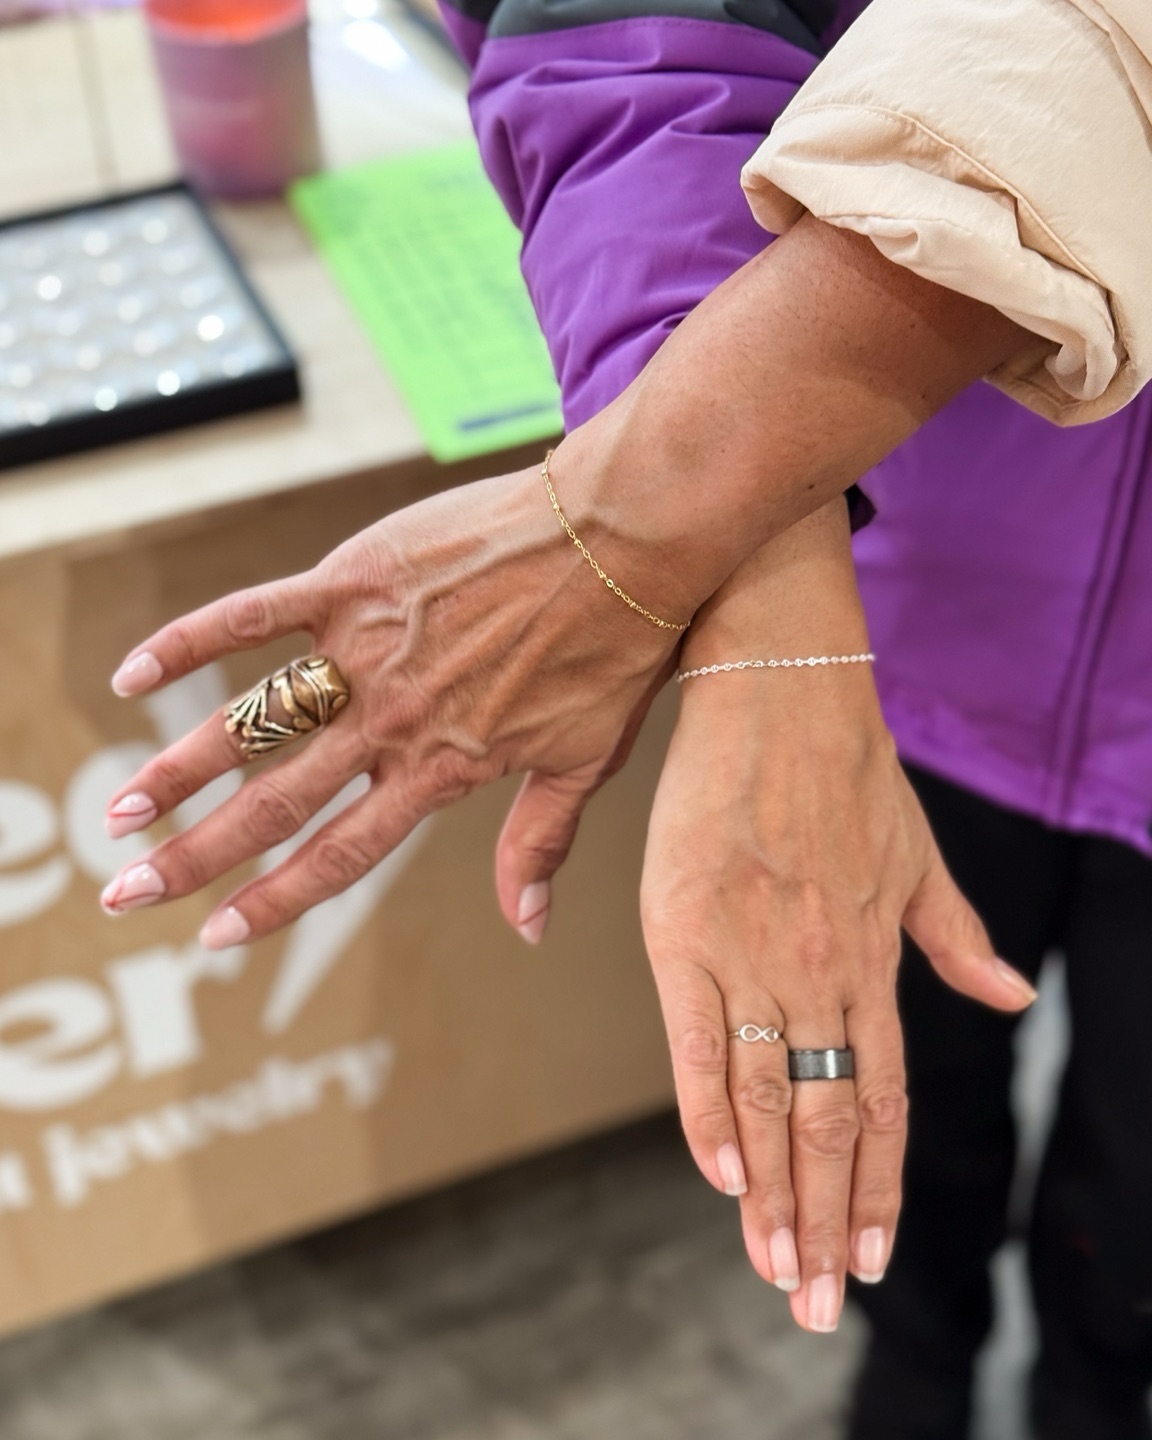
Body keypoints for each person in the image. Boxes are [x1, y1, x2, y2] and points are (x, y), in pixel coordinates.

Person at [99, 0, 1152, 1358]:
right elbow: (638, 34)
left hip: (883, 557)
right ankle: (909, 1368)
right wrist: (762, 582)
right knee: (900, 1109)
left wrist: (641, 519)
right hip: (920, 604)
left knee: (1129, 1220)